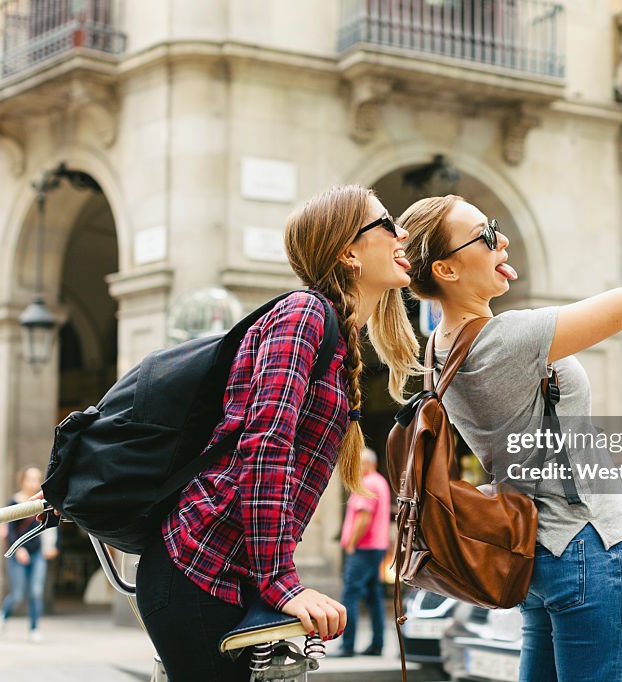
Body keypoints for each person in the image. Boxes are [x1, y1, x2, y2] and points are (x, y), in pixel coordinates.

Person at [396, 136, 622, 682]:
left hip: (537, 555)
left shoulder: (439, 349)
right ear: (446, 271)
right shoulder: (507, 340)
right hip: (588, 548)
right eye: (485, 236)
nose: (502, 243)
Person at [135, 185, 422, 682]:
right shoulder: (304, 313)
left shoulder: (334, 330)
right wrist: (280, 582)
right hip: (199, 572)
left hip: (226, 577)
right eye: (386, 224)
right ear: (348, 252)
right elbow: (266, 446)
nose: (401, 234)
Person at [335, 447, 391, 657]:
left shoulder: (366, 483)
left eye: (359, 464)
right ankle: (377, 644)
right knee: (374, 597)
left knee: (350, 594)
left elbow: (364, 517)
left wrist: (351, 543)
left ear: (368, 464)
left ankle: (347, 645)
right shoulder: (380, 482)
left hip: (363, 549)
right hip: (376, 547)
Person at [0, 466, 59, 643]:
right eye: (30, 479)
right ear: (22, 481)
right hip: (18, 553)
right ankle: (3, 615)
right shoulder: (13, 503)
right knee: (18, 594)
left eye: (37, 479)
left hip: (37, 553)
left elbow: (51, 524)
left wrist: (52, 546)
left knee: (36, 592)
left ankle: (34, 628)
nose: (34, 483)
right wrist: (19, 549)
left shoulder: (42, 502)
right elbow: (9, 530)